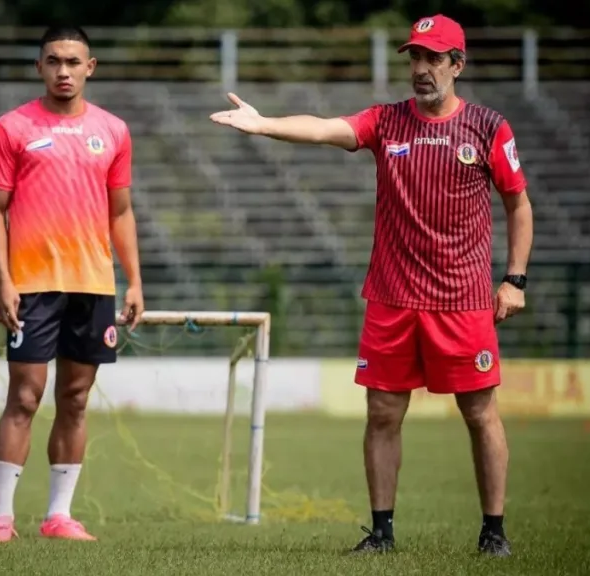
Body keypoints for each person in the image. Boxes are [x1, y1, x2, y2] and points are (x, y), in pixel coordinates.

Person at [210, 14, 532, 556]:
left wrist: (514, 279)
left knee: (480, 413)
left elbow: (518, 205)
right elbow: (324, 127)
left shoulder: (488, 127)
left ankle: (493, 531)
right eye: (415, 58)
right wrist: (264, 124)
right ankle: (381, 533)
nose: (422, 69)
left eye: (433, 59)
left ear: (458, 64)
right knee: (383, 413)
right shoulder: (386, 122)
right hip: (392, 296)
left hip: (463, 299)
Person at [0, 24, 144, 543]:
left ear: (90, 67)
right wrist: (3, 281)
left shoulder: (113, 130)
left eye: (73, 62)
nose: (64, 71)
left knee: (75, 398)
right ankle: (1, 519)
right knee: (24, 397)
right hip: (32, 284)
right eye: (54, 61)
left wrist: (134, 280)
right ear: (40, 67)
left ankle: (58, 516)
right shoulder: (12, 127)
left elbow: (120, 212)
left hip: (93, 285)